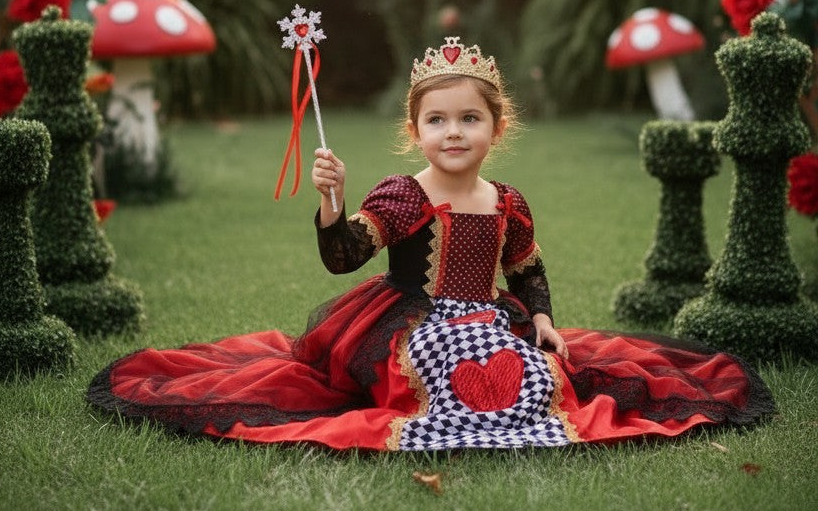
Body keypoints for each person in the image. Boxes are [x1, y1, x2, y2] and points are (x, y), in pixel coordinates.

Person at [88, 37, 774, 450]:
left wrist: (540, 320)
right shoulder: (407, 194)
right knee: (441, 368)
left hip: (490, 313)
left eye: (469, 119)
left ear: (494, 129)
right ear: (415, 131)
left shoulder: (507, 203)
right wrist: (333, 203)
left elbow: (527, 270)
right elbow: (345, 256)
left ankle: (503, 409)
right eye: (437, 120)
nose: (453, 132)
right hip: (409, 319)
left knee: (536, 376)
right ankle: (448, 415)